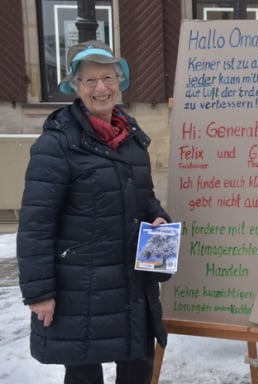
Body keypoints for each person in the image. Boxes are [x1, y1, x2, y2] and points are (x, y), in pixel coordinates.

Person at [16, 40, 172, 384]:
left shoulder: (132, 139)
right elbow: (36, 224)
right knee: (84, 374)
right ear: (75, 86)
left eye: (107, 77)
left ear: (120, 82)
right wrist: (40, 293)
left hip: (131, 284)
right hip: (80, 286)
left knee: (138, 368)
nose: (100, 88)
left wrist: (157, 217)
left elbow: (143, 198)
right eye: (89, 80)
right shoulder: (57, 143)